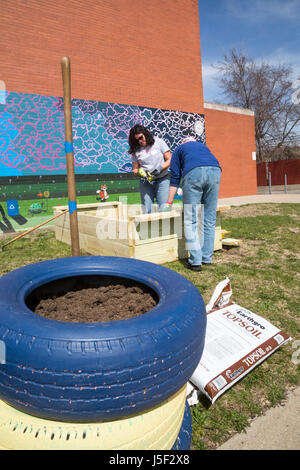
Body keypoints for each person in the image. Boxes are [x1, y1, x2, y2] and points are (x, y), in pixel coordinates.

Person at [165, 137, 221, 271]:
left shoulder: (179, 149)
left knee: (191, 220)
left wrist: (169, 202)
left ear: (183, 143)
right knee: (209, 219)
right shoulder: (203, 147)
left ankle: (195, 261)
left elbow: (174, 179)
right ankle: (207, 258)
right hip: (216, 171)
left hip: (194, 173)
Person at [128, 124, 171, 213]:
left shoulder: (158, 142)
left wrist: (160, 168)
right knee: (146, 210)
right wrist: (140, 172)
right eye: (136, 140)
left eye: (140, 137)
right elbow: (135, 169)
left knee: (164, 209)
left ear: (145, 134)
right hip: (146, 182)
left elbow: (170, 160)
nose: (139, 141)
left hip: (162, 179)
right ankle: (148, 226)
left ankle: (165, 226)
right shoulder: (136, 150)